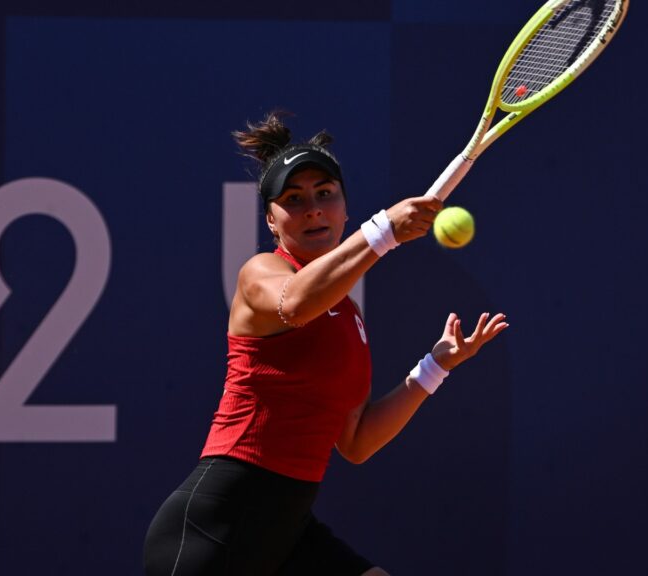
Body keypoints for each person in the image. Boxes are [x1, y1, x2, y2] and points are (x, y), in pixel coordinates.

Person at [142, 112, 509, 576]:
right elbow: (295, 303)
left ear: (344, 207)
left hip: (288, 531)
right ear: (272, 222)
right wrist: (383, 231)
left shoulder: (349, 318)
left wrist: (434, 368)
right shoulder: (260, 273)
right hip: (217, 524)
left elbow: (355, 440)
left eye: (325, 194)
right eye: (293, 199)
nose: (313, 208)